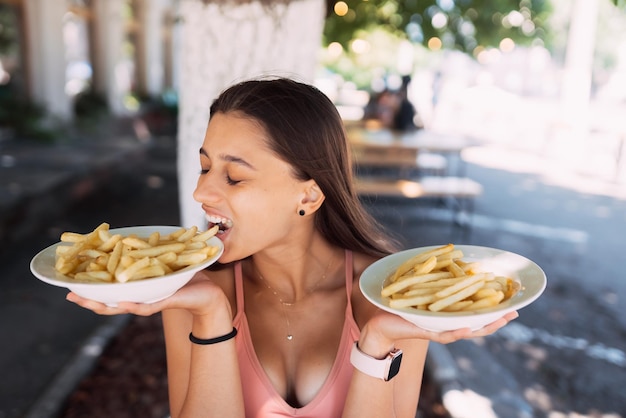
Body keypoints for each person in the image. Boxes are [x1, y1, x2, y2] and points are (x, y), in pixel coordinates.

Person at [67, 77, 517, 418]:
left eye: (234, 176)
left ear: (308, 196)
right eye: (204, 168)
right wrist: (211, 315)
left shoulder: (391, 293)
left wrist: (376, 342)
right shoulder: (189, 294)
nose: (201, 193)